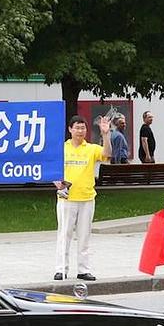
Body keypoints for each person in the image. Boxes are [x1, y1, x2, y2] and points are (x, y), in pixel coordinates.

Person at [53, 115, 112, 281]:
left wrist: (105, 134)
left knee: (84, 236)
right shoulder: (61, 148)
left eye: (83, 128)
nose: (80, 131)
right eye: (77, 128)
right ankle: (61, 269)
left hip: (86, 198)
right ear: (70, 129)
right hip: (67, 198)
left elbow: (107, 154)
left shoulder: (91, 148)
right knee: (64, 235)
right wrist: (57, 183)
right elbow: (51, 168)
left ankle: (83, 269)